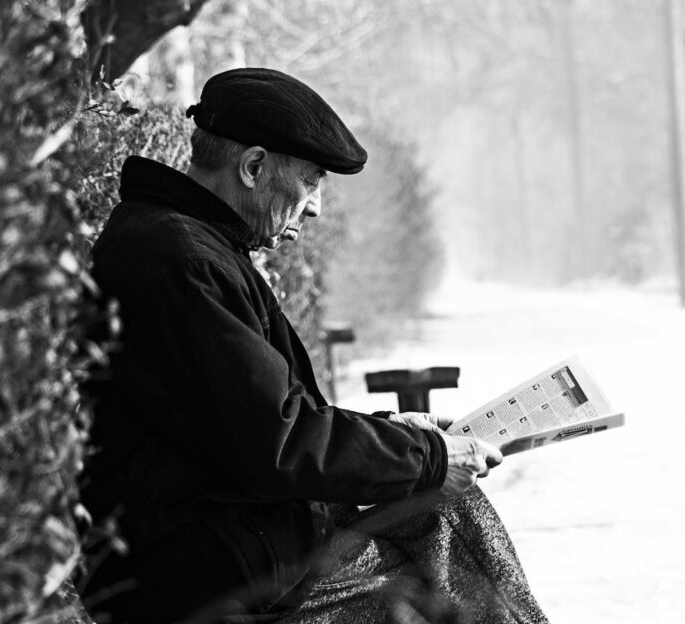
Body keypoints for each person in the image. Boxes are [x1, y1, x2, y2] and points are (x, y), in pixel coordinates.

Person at [78, 67, 544, 624]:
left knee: (446, 512)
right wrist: (426, 457)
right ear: (253, 167)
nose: (316, 207)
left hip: (232, 541)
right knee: (437, 572)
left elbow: (259, 418)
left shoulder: (187, 247)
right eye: (311, 181)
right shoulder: (186, 263)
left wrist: (403, 438)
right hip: (207, 577)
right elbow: (277, 440)